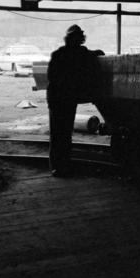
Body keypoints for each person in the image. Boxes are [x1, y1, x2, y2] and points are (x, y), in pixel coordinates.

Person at [46, 24, 101, 177]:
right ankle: (61, 166)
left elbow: (52, 77)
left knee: (59, 133)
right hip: (65, 98)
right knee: (63, 133)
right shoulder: (80, 53)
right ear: (78, 39)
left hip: (59, 99)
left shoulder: (59, 54)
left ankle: (58, 166)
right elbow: (93, 54)